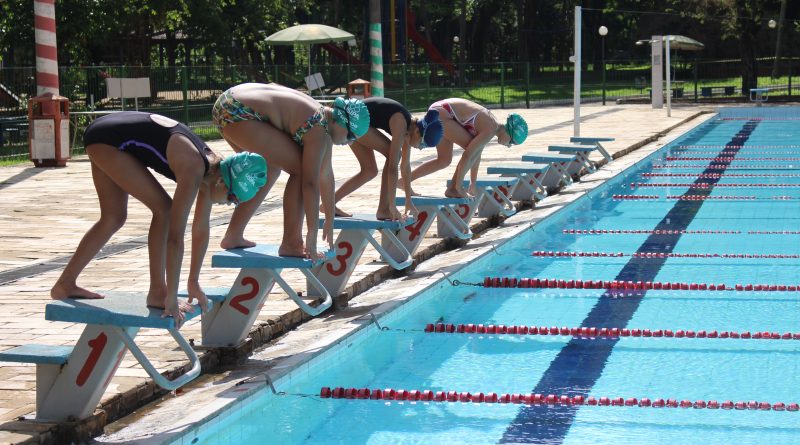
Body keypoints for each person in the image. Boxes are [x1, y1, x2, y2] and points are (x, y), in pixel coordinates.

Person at [50, 111, 267, 326]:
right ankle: (157, 291)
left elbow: (200, 230)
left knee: (113, 217)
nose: (229, 204)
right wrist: (171, 297)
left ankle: (64, 284)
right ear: (222, 182)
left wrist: (193, 282)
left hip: (106, 133)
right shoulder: (194, 167)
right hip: (108, 140)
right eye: (233, 198)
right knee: (165, 210)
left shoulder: (211, 172)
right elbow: (175, 238)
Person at [212, 83, 370, 258]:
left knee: (269, 170)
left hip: (228, 104)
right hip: (240, 112)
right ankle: (292, 243)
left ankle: (233, 235)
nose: (350, 142)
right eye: (350, 135)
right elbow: (310, 183)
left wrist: (330, 218)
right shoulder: (319, 129)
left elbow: (326, 175)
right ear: (340, 121)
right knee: (301, 171)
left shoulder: (323, 120)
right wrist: (312, 235)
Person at [333, 97, 444, 220]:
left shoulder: (410, 130)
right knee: (393, 155)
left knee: (369, 170)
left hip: (355, 120)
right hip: (351, 118)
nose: (420, 148)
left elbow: (405, 167)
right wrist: (393, 206)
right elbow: (392, 168)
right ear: (418, 132)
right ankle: (384, 209)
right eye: (422, 144)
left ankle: (330, 204)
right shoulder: (401, 123)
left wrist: (408, 200)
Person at [407, 98, 529, 198]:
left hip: (442, 111)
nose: (509, 145)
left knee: (444, 160)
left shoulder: (492, 126)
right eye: (512, 142)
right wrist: (459, 187)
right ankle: (454, 188)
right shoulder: (491, 128)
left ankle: (403, 181)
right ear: (509, 132)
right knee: (471, 150)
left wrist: (473, 182)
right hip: (442, 113)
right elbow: (468, 156)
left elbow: (477, 154)